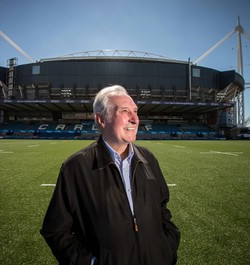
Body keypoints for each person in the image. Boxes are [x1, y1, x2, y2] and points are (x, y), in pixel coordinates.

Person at [40, 85, 180, 265]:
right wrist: (89, 262)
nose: (135, 119)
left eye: (135, 111)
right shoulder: (76, 167)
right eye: (124, 111)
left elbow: (162, 208)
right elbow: (55, 229)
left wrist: (166, 250)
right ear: (101, 119)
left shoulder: (148, 159)